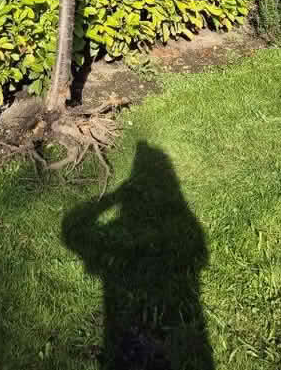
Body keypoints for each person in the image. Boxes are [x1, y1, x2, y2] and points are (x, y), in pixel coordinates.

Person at [62, 141, 214, 369]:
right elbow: (199, 255)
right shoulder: (184, 224)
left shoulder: (174, 227)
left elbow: (73, 232)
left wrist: (112, 198)